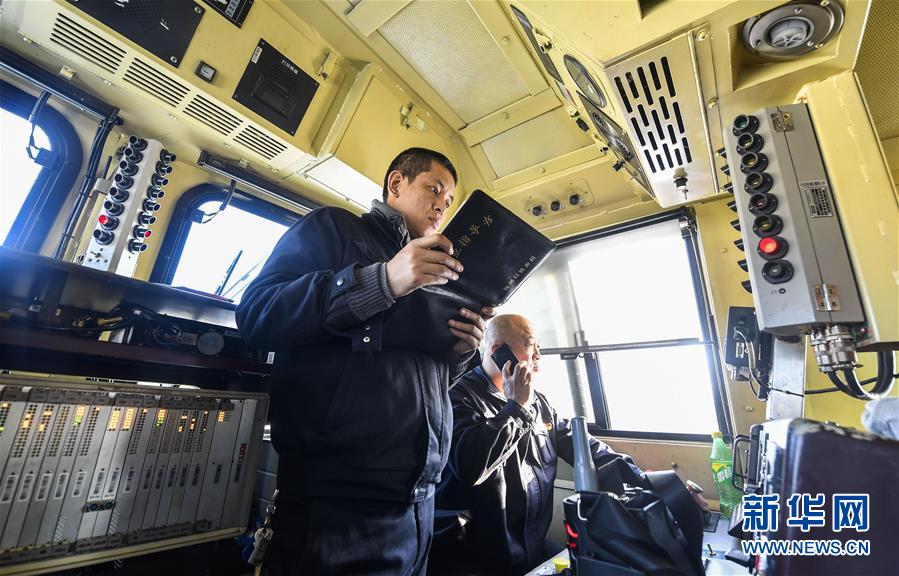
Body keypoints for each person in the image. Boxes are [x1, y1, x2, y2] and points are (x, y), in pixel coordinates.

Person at [236, 148, 494, 575]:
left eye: (448, 202)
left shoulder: (435, 277)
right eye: (434, 189)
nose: (441, 206)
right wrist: (384, 279)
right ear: (396, 184)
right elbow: (258, 314)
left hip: (420, 500)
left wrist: (461, 352)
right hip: (337, 504)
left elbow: (423, 382)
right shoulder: (333, 228)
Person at [431, 314, 645, 575]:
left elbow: (585, 448)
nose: (538, 355)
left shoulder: (538, 403)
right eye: (531, 345)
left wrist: (644, 482)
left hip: (531, 547)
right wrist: (516, 407)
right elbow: (471, 465)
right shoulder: (456, 398)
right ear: (498, 351)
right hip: (476, 559)